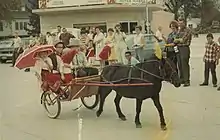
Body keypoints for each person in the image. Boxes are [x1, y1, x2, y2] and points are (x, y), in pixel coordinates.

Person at [176, 18, 192, 87]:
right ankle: (182, 79)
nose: (180, 25)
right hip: (178, 48)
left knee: (184, 64)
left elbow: (183, 40)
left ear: (184, 23)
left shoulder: (187, 30)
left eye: (181, 23)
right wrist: (177, 40)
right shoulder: (179, 30)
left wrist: (178, 40)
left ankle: (187, 81)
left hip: (184, 48)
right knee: (179, 64)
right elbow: (175, 38)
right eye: (179, 23)